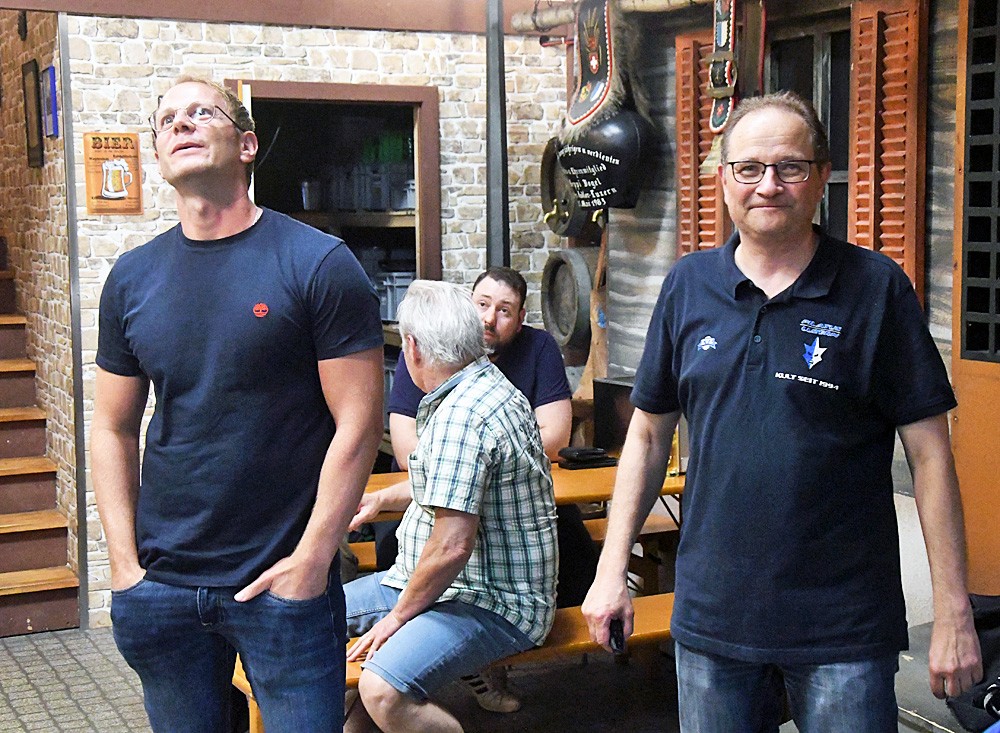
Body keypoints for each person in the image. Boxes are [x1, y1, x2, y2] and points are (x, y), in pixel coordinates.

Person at [582, 91, 983, 731]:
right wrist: (611, 569)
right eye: (749, 168)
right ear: (724, 180)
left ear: (821, 177)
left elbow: (931, 456)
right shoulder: (688, 286)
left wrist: (954, 612)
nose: (767, 185)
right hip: (712, 619)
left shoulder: (876, 288)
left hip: (844, 626)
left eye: (789, 167)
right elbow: (649, 437)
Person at [91, 76, 384, 733]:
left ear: (247, 145)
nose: (180, 124)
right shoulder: (132, 278)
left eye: (201, 112)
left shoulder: (317, 263)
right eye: (167, 119)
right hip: (163, 585)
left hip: (284, 585)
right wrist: (124, 565)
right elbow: (111, 427)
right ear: (158, 153)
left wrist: (313, 560)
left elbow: (360, 423)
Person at [343, 280, 558, 733]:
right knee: (304, 615)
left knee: (383, 688)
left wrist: (397, 618)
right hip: (442, 585)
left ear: (412, 348)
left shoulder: (463, 416)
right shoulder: (478, 385)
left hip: (491, 601)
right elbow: (452, 483)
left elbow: (451, 547)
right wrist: (382, 497)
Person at [382, 266, 598, 712]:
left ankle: (471, 659)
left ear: (520, 319)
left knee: (574, 544)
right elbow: (406, 451)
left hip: (491, 587)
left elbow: (555, 434)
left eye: (504, 310)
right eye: (481, 305)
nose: (488, 318)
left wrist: (478, 455)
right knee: (392, 551)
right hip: (449, 541)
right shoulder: (443, 367)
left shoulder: (492, 384)